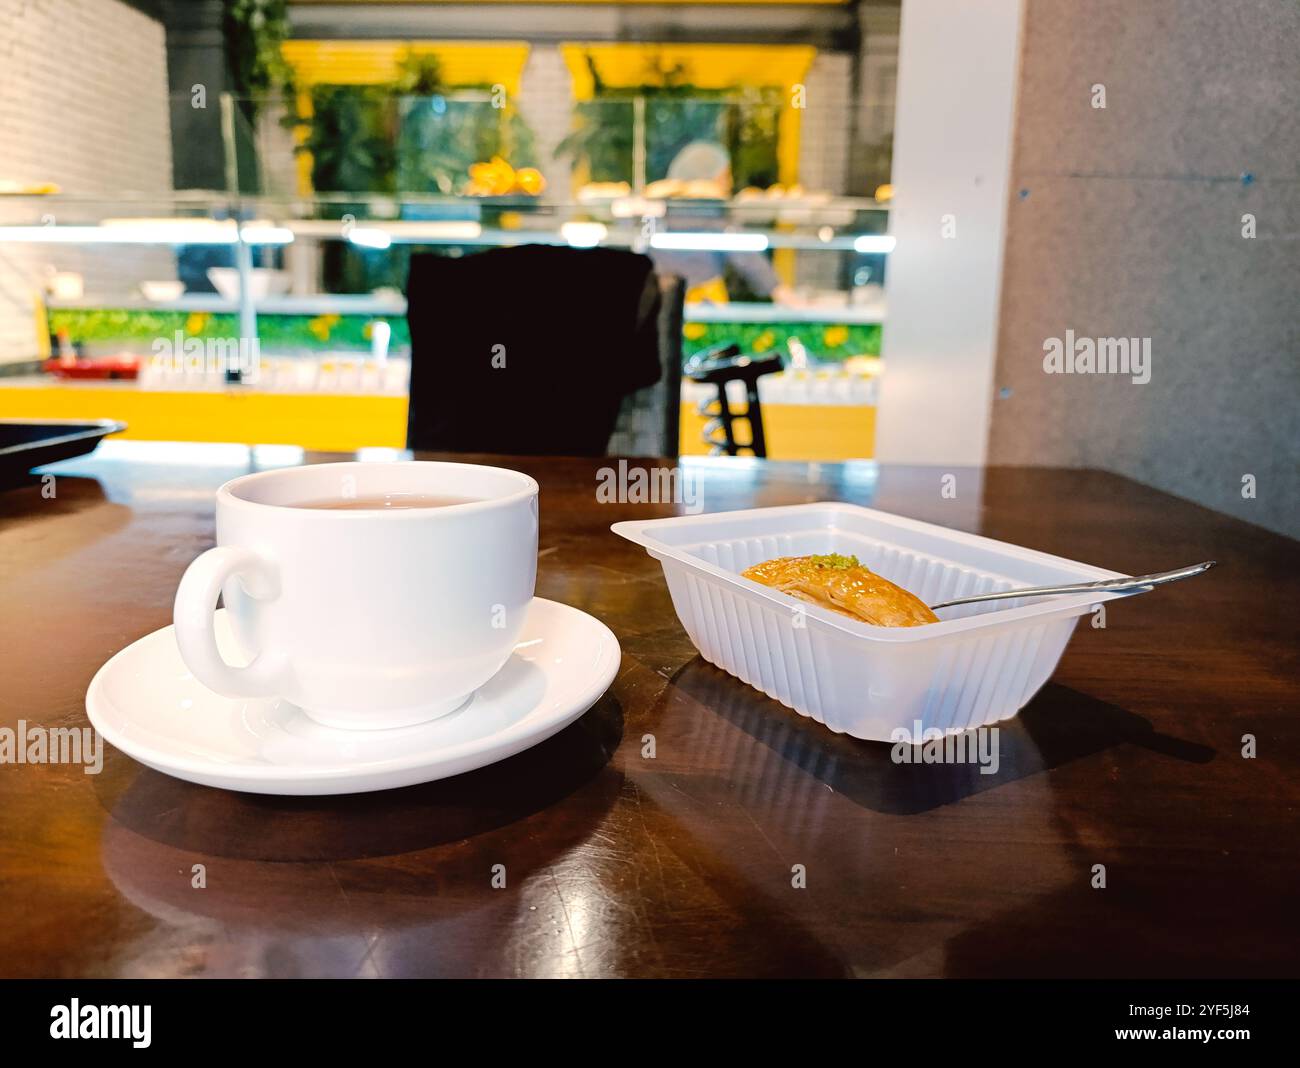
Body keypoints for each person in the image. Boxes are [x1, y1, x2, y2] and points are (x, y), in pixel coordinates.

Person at [649, 141, 802, 306]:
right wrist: (780, 291)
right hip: (705, 303)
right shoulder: (713, 210)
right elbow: (746, 257)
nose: (729, 183)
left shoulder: (656, 208)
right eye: (725, 176)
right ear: (707, 176)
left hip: (662, 301)